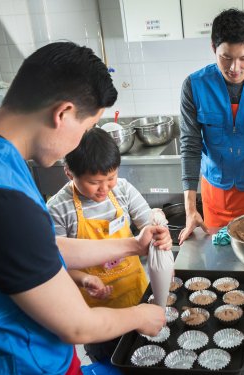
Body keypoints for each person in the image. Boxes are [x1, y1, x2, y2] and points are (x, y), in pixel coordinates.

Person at [0, 42, 170, 374]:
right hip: (21, 362)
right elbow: (77, 326)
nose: (81, 141)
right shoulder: (5, 198)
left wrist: (134, 244)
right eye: (86, 129)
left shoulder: (6, 163)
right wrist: (140, 316)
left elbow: (43, 248)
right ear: (63, 113)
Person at [47, 127, 159, 362]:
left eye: (111, 178)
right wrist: (84, 279)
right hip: (96, 313)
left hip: (136, 297)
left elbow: (148, 221)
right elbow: (55, 263)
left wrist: (158, 228)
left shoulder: (123, 190)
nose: (105, 189)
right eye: (94, 182)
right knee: (109, 362)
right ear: (69, 173)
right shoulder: (59, 208)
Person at [178, 8, 244, 243]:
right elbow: (190, 147)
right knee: (220, 260)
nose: (234, 68)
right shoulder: (194, 86)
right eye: (226, 57)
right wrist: (190, 210)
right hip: (217, 197)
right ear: (213, 48)